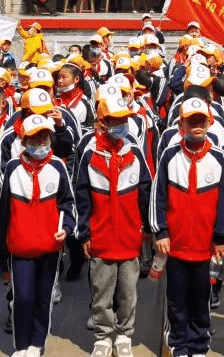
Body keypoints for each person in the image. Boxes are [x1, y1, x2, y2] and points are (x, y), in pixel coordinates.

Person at [149, 96, 224, 357]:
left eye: (201, 120)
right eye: (191, 121)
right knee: (175, 300)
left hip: (205, 246)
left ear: (209, 123)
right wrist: (160, 231)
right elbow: (158, 195)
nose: (197, 125)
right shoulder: (170, 154)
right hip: (175, 244)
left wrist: (222, 237)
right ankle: (177, 343)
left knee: (201, 300)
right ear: (181, 124)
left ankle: (198, 344)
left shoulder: (219, 156)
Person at [75, 94, 152, 357]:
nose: (121, 125)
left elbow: (146, 192)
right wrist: (83, 232)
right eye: (115, 120)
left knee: (128, 294)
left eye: (124, 120)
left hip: (130, 236)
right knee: (102, 294)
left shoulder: (135, 151)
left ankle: (124, 335)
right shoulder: (90, 153)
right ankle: (103, 337)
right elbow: (81, 196)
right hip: (101, 237)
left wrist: (149, 230)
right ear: (102, 122)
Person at [0, 114, 76, 357]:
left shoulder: (58, 167)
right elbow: (2, 213)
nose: (40, 144)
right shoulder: (12, 168)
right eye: (35, 138)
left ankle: (37, 343)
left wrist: (68, 228)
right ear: (23, 140)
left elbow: (68, 204)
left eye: (44, 138)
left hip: (50, 248)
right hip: (19, 249)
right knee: (23, 298)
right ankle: (21, 344)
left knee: (43, 298)